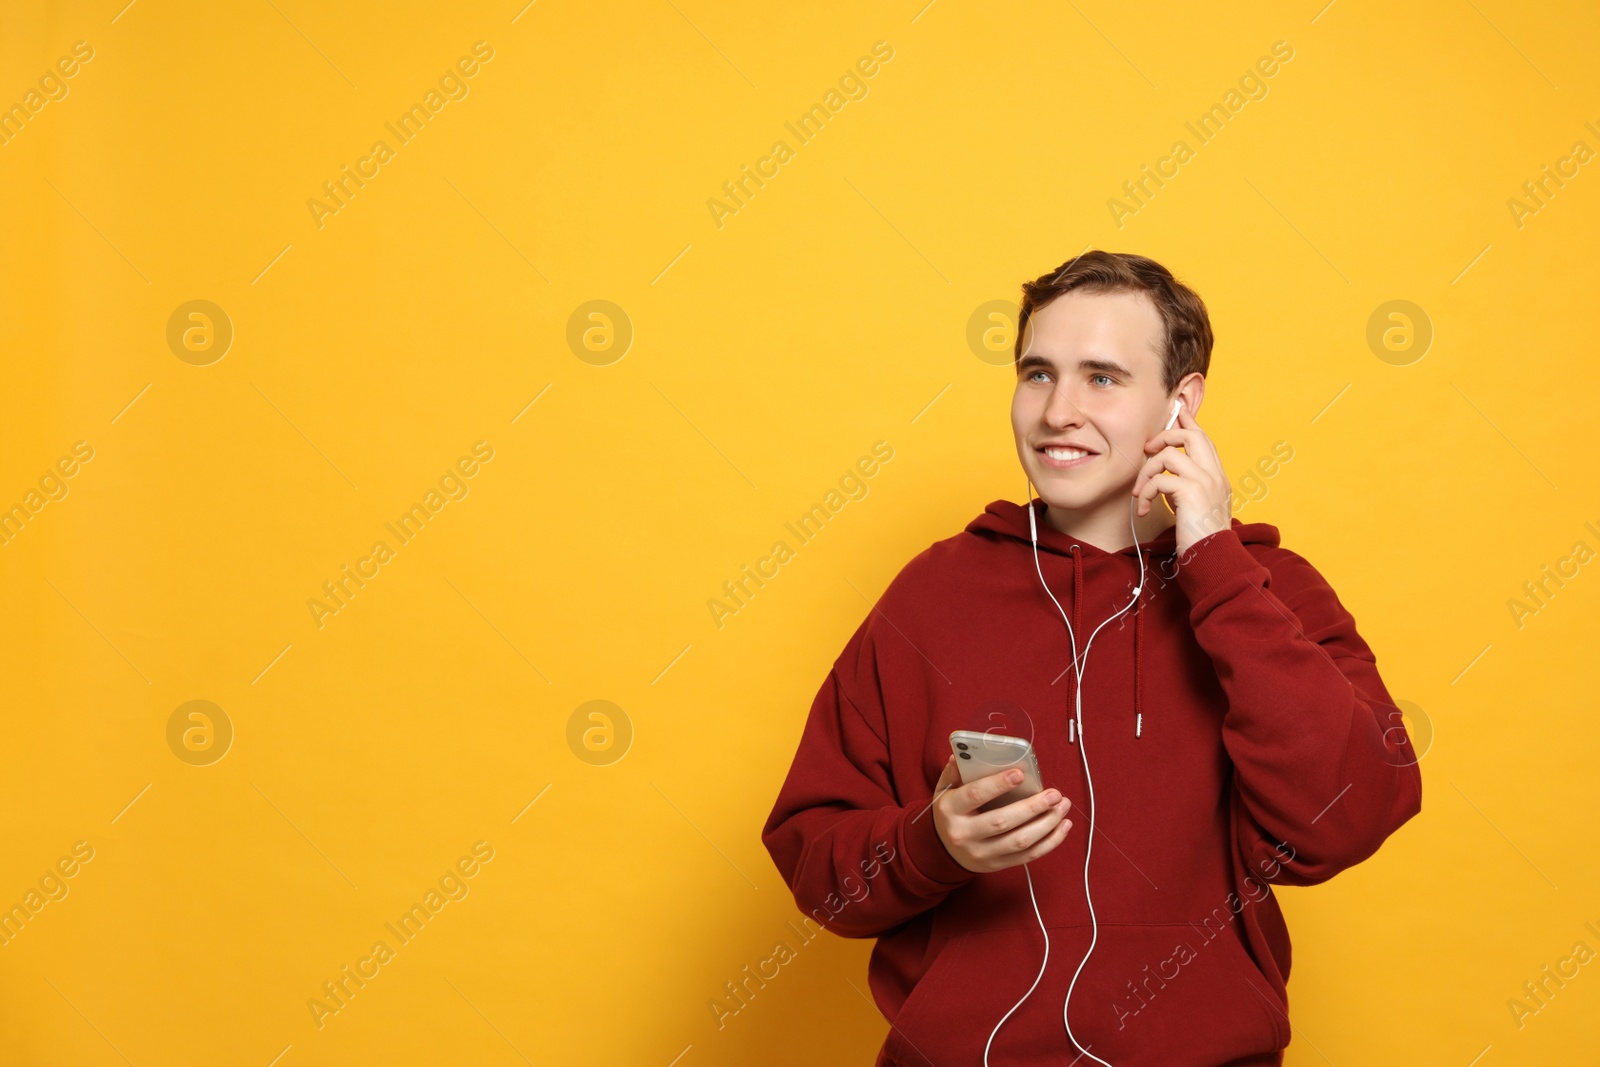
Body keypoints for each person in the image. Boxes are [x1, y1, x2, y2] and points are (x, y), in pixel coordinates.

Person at [760, 250, 1423, 1067]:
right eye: (1038, 373)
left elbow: (1349, 818)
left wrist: (1213, 560)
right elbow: (817, 869)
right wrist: (934, 844)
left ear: (1181, 404)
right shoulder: (934, 593)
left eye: (1102, 377)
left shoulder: (1267, 588)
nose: (1057, 411)